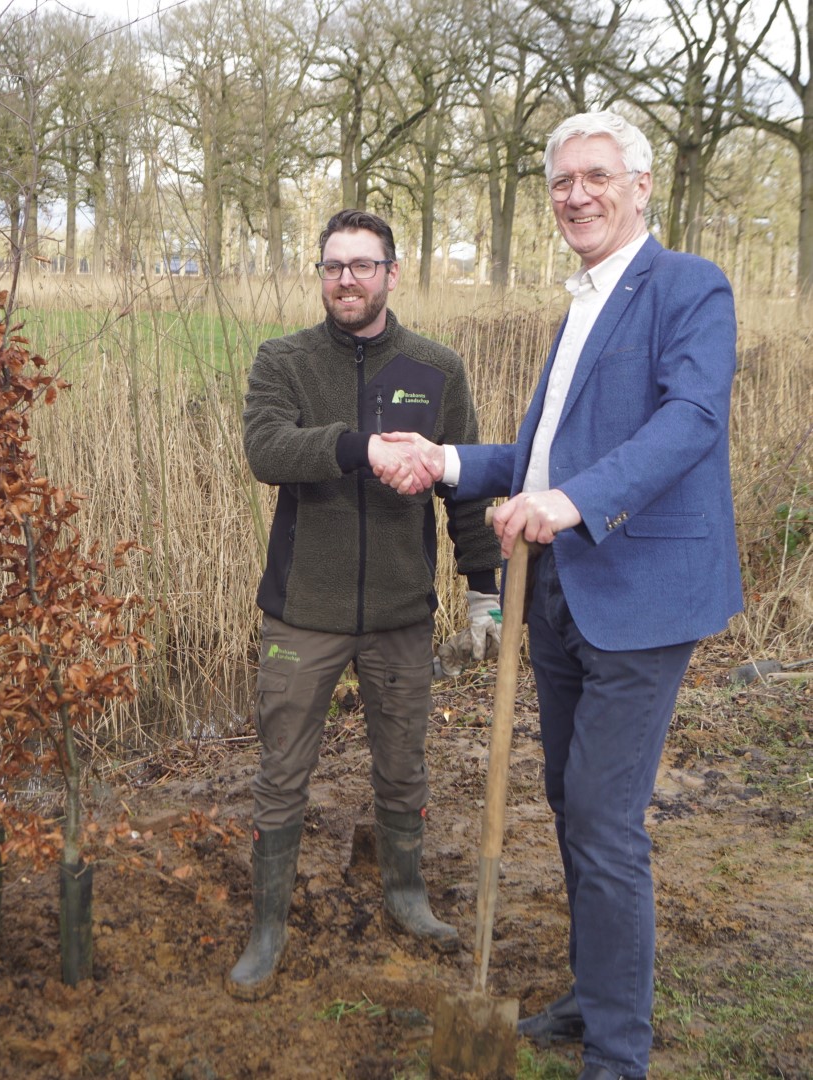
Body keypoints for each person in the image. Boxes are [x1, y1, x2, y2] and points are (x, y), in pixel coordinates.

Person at [379, 112, 743, 1080]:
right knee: (565, 798)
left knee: (601, 815)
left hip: (641, 594)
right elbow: (538, 458)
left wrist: (573, 501)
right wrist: (447, 459)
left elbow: (690, 423)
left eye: (594, 176)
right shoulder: (577, 305)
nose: (574, 195)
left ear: (641, 184)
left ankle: (620, 1052)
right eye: (559, 181)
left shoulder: (688, 287)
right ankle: (593, 993)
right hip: (558, 598)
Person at [228, 208, 503, 1001]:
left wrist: (482, 589)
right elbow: (266, 449)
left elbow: (469, 486)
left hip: (399, 614)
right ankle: (268, 925)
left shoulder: (436, 369)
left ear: (391, 272)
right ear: (321, 276)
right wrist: (359, 447)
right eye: (332, 266)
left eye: (362, 264)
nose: (346, 279)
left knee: (403, 763)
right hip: (300, 612)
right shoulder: (283, 361)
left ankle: (406, 893)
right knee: (281, 769)